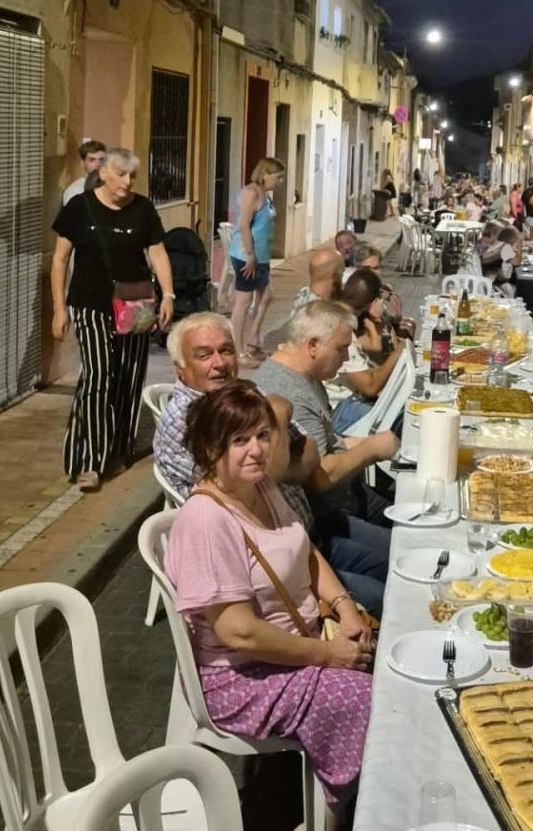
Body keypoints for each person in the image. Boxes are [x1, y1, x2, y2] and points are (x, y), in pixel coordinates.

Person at [164, 381, 373, 815]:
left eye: (262, 435)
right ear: (208, 448)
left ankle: (351, 795)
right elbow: (238, 632)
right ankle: (338, 812)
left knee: (384, 662)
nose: (256, 450)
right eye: (239, 440)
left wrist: (344, 607)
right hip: (238, 678)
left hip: (294, 645)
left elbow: (303, 550)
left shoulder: (258, 487)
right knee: (366, 698)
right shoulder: (206, 519)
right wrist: (326, 654)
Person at [154, 313, 388, 616]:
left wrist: (276, 470)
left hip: (305, 533)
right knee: (387, 596)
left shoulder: (241, 393)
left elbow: (310, 451)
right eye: (204, 355)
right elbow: (256, 483)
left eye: (225, 350)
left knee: (397, 558)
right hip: (269, 567)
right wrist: (277, 416)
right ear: (181, 370)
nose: (219, 363)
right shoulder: (187, 421)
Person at [51, 148, 174, 492]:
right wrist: (59, 309)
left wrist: (168, 294)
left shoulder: (143, 209)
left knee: (128, 376)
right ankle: (90, 460)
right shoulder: (79, 207)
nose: (127, 182)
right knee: (98, 375)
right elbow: (60, 260)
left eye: (132, 175)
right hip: (90, 304)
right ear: (103, 173)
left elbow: (158, 253)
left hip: (135, 302)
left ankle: (119, 448)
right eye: (120, 174)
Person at [254, 302, 398, 548]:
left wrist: (368, 443)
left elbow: (330, 441)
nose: (345, 358)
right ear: (313, 346)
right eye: (341, 349)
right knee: (403, 546)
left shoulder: (304, 375)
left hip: (349, 495)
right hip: (325, 520)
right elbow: (319, 477)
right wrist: (371, 449)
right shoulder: (290, 394)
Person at [331, 268, 406, 435]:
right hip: (339, 409)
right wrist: (399, 353)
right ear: (372, 304)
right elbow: (370, 387)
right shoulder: (340, 329)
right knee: (403, 420)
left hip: (351, 402)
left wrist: (381, 321)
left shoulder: (344, 317)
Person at [227, 157, 284, 368]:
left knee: (266, 295)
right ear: (265, 174)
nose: (279, 182)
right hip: (246, 255)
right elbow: (243, 225)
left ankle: (253, 340)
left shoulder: (265, 196)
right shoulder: (251, 193)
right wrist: (250, 254)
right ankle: (237, 350)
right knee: (243, 302)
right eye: (277, 177)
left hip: (262, 256)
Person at [290, 247, 344, 315]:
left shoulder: (302, 298)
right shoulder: (319, 314)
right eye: (342, 272)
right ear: (333, 275)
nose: (343, 277)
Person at [61, 139, 106, 206]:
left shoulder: (111, 186)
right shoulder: (76, 190)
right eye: (92, 160)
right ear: (82, 163)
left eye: (101, 160)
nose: (98, 164)